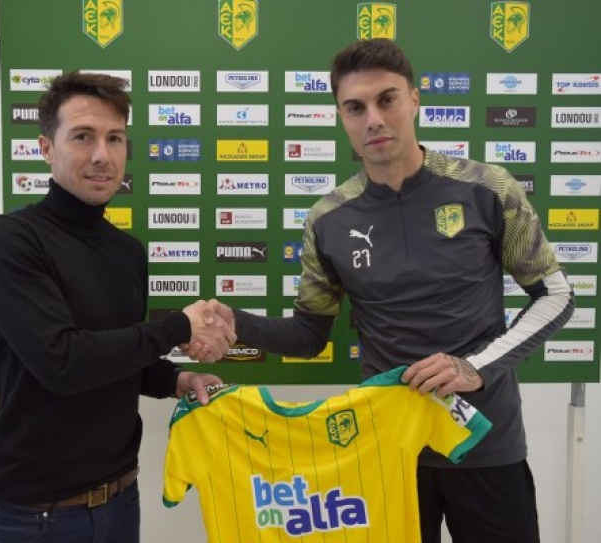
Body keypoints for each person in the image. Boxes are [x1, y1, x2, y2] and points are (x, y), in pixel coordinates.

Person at [194, 39, 575, 542]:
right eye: (356, 107)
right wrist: (237, 323)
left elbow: (556, 295)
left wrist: (474, 367)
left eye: (386, 99)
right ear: (342, 117)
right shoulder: (328, 218)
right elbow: (310, 333)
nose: (373, 119)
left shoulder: (488, 188)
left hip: (486, 443)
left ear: (414, 100)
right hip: (385, 449)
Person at [0, 71, 235, 543]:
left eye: (114, 138)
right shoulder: (7, 239)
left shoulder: (127, 251)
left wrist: (177, 380)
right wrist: (179, 326)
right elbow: (64, 363)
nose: (102, 155)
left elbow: (120, 359)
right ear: (46, 148)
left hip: (120, 499)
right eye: (83, 136)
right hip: (35, 516)